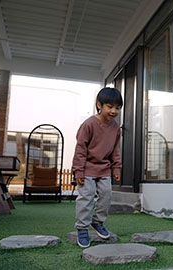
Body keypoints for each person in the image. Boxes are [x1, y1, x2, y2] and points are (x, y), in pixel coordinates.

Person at [72, 87, 123, 248]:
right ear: (99, 105)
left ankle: (98, 222)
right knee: (86, 198)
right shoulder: (88, 124)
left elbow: (115, 150)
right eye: (110, 106)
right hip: (86, 168)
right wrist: (78, 170)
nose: (114, 111)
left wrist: (116, 168)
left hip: (104, 169)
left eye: (118, 107)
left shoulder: (115, 128)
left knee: (106, 196)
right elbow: (80, 148)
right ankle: (82, 228)